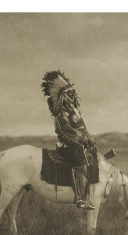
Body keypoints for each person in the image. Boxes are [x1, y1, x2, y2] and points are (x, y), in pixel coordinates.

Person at [41, 71, 96, 210]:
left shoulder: (75, 111)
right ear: (64, 96)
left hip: (79, 143)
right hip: (68, 146)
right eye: (70, 93)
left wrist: (89, 139)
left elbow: (82, 128)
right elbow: (64, 131)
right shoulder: (62, 113)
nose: (73, 95)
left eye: (73, 92)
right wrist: (81, 139)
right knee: (81, 166)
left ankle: (92, 195)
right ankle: (80, 198)